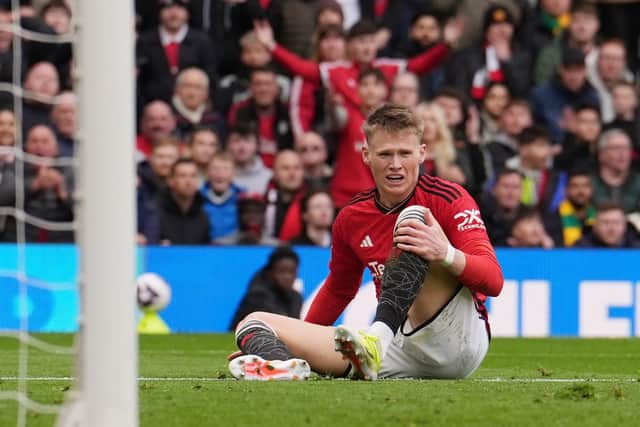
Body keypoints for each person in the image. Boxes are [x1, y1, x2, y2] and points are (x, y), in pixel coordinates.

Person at [228, 104, 503, 381]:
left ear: (421, 153)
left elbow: (493, 281)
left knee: (413, 220)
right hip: (397, 348)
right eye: (385, 154)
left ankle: (375, 342)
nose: (395, 164)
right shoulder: (351, 217)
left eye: (404, 153)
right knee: (252, 323)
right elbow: (338, 290)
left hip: (457, 340)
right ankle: (284, 366)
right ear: (367, 155)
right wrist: (292, 344)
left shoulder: (448, 199)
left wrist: (444, 253)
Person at [136, 0, 217, 105]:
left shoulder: (202, 41)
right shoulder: (145, 42)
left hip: (192, 107)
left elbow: (210, 76)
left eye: (179, 7)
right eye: (168, 8)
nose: (174, 13)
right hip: (154, 108)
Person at [229, 246, 302, 331]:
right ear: (270, 273)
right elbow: (280, 323)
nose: (287, 277)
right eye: (281, 272)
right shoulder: (257, 295)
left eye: (291, 272)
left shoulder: (296, 297)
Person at [157, 158, 210, 245]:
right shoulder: (156, 213)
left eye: (193, 176)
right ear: (171, 181)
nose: (188, 181)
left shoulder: (204, 215)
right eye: (182, 176)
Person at [201, 151, 244, 243]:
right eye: (215, 168)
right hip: (204, 249)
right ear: (207, 172)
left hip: (235, 250)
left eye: (225, 169)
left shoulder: (243, 197)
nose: (220, 173)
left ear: (233, 174)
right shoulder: (197, 198)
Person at [574, 202, 639, 248]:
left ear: (625, 225)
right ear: (595, 226)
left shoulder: (636, 249)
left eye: (616, 223)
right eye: (605, 222)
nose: (611, 228)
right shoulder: (579, 249)